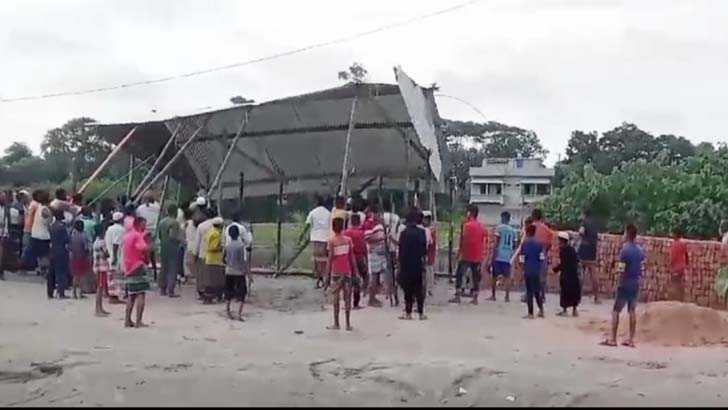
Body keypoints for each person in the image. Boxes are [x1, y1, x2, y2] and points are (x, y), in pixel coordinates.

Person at [602, 224, 644, 348]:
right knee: (632, 311)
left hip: (625, 282)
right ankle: (631, 339)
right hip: (635, 282)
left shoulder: (625, 250)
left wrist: (616, 282)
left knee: (616, 311)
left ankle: (613, 339)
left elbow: (621, 268)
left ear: (627, 234)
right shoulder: (639, 251)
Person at [450, 204, 487, 305]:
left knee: (459, 274)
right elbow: (485, 240)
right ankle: (475, 298)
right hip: (477, 255)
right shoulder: (482, 227)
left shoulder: (466, 225)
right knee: (475, 277)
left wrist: (459, 252)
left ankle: (458, 295)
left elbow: (463, 240)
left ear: (469, 213)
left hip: (466, 254)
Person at [326, 217, 357, 331]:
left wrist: (327, 275)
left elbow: (330, 259)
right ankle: (348, 324)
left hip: (336, 273)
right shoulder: (348, 240)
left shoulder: (331, 241)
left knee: (336, 298)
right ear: (343, 227)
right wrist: (356, 272)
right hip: (347, 272)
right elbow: (352, 258)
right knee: (347, 297)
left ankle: (336, 323)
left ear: (333, 228)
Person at [398, 208, 429, 320]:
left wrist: (400, 264)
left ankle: (408, 313)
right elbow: (424, 251)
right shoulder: (422, 233)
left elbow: (400, 251)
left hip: (406, 265)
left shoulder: (403, 233)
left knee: (408, 290)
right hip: (417, 264)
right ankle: (421, 313)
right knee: (418, 289)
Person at [123, 216, 152, 328]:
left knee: (131, 295)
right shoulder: (137, 235)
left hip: (128, 266)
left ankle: (127, 320)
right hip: (137, 266)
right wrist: (150, 245)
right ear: (139, 224)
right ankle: (138, 321)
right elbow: (144, 249)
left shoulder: (127, 235)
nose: (145, 226)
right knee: (141, 293)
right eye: (144, 224)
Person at [299, 195, 331, 289]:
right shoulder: (328, 213)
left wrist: (302, 236)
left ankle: (319, 279)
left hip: (316, 238)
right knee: (324, 260)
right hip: (326, 238)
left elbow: (307, 225)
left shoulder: (313, 212)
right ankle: (325, 279)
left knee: (317, 260)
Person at [363, 205, 390, 307]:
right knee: (373, 276)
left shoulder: (378, 224)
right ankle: (371, 299)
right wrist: (381, 237)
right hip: (373, 253)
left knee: (378, 276)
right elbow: (367, 238)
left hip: (380, 253)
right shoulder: (369, 224)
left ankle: (374, 297)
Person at [518, 224, 545, 319]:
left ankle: (530, 313)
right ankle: (541, 310)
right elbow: (542, 258)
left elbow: (522, 259)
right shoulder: (539, 244)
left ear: (528, 232)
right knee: (537, 291)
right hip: (536, 270)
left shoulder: (525, 244)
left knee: (529, 292)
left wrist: (522, 271)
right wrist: (541, 271)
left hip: (528, 270)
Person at [490, 211, 517, 302]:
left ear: (502, 218)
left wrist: (493, 254)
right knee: (507, 276)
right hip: (508, 255)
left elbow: (496, 242)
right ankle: (507, 296)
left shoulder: (499, 228)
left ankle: (493, 295)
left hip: (499, 254)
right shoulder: (513, 231)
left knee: (494, 275)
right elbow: (514, 244)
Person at [224, 225, 249, 321]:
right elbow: (242, 261)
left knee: (228, 292)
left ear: (229, 235)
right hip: (239, 272)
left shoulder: (227, 246)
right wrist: (248, 273)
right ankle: (239, 314)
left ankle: (228, 311)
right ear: (238, 234)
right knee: (242, 293)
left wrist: (228, 264)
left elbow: (223, 258)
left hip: (229, 271)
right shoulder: (240, 246)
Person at [157, 204, 182, 298]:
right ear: (175, 212)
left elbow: (159, 235)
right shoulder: (174, 222)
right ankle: (170, 290)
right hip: (172, 248)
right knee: (172, 269)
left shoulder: (162, 222)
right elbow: (172, 236)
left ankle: (162, 289)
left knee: (163, 268)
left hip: (163, 247)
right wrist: (181, 240)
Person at [343, 213, 367, 309]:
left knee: (348, 281)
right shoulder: (361, 233)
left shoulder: (345, 233)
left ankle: (347, 302)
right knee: (357, 281)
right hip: (359, 257)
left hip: (348, 258)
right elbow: (363, 247)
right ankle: (356, 303)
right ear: (359, 222)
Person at [554, 232, 581, 317]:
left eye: (560, 241)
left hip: (567, 274)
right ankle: (574, 310)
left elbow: (563, 264)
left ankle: (565, 310)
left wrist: (556, 269)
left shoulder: (564, 251)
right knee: (573, 292)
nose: (559, 243)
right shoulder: (572, 250)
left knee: (565, 292)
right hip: (573, 274)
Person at [136, 191, 160, 280]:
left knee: (144, 254)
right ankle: (154, 274)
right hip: (154, 231)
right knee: (153, 254)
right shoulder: (158, 207)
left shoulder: (140, 208)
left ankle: (145, 274)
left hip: (144, 232)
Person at [578, 208, 600, 303]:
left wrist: (582, 238)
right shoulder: (595, 224)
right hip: (592, 249)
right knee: (593, 274)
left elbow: (581, 232)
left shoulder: (584, 223)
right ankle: (596, 297)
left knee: (580, 273)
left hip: (584, 249)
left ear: (584, 214)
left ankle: (578, 295)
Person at [531, 209, 554, 302]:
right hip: (542, 254)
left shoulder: (530, 227)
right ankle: (542, 295)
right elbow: (549, 243)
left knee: (530, 275)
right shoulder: (546, 229)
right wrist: (545, 251)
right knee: (542, 276)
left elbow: (526, 241)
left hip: (532, 255)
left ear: (533, 216)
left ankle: (530, 294)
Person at [201, 217, 225, 304]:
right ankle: (212, 297)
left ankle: (209, 297)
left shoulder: (210, 232)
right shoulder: (216, 234)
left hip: (210, 258)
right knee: (215, 280)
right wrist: (221, 248)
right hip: (215, 259)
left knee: (211, 279)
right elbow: (213, 247)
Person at [193, 207, 216, 298]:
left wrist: (195, 254)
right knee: (213, 273)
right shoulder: (218, 224)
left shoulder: (201, 226)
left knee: (202, 274)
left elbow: (197, 242)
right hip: (215, 254)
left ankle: (202, 291)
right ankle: (214, 290)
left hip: (203, 253)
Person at [48, 208, 71, 298]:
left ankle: (50, 292)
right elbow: (66, 239)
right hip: (61, 250)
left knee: (51, 273)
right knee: (61, 272)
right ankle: (61, 293)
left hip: (52, 249)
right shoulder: (62, 227)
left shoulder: (51, 226)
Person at [105, 211, 126, 304]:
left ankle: (112, 295)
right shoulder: (121, 230)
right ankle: (115, 296)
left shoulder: (109, 229)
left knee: (112, 278)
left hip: (110, 255)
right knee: (117, 278)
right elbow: (116, 244)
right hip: (117, 257)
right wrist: (115, 257)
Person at [30, 190, 53, 279]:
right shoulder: (45, 209)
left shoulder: (39, 207)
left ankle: (41, 269)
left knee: (40, 254)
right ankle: (44, 270)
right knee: (45, 254)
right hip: (43, 235)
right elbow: (47, 218)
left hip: (36, 234)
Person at [92, 224, 111, 317]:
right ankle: (98, 309)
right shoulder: (102, 242)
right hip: (101, 267)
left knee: (100, 288)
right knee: (100, 288)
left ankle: (100, 308)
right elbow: (106, 254)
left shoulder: (96, 241)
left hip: (98, 267)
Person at [70, 219, 91, 299]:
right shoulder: (84, 236)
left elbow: (70, 247)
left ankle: (74, 292)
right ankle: (80, 293)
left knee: (75, 275)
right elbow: (86, 248)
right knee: (82, 275)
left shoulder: (73, 236)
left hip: (74, 257)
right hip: (82, 257)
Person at [669, 228, 689, 302]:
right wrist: (686, 264)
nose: (671, 235)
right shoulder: (683, 244)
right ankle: (681, 299)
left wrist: (670, 265)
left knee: (675, 283)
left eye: (673, 234)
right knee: (680, 283)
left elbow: (673, 257)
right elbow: (686, 255)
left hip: (676, 267)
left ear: (676, 235)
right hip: (682, 267)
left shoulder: (674, 244)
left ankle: (675, 299)